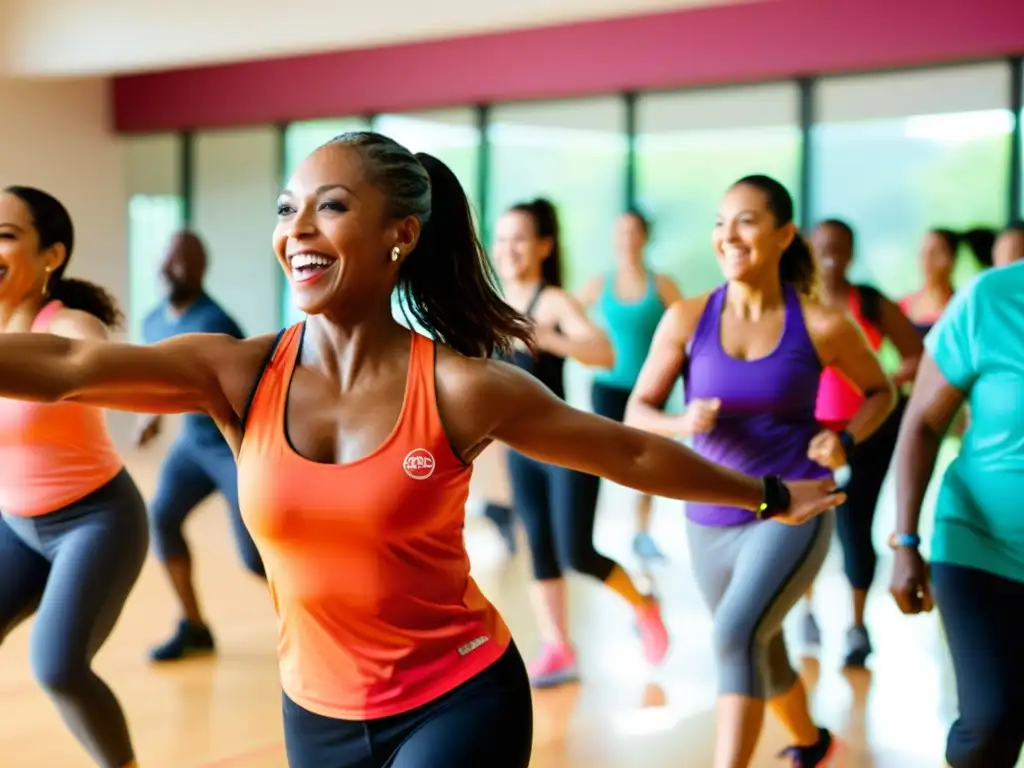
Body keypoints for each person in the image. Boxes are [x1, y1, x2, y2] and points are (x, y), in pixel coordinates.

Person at [0, 135, 842, 768]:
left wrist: (769, 495)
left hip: (457, 698)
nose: (298, 228)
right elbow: (74, 367)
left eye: (330, 205)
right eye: (288, 208)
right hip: (315, 712)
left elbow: (633, 456)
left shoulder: (463, 388)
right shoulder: (240, 372)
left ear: (401, 234)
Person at [626, 175, 894, 768]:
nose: (729, 235)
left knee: (733, 636)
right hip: (709, 513)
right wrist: (683, 420)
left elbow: (881, 391)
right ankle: (813, 743)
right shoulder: (687, 318)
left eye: (746, 220)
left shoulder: (821, 323)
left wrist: (844, 435)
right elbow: (636, 409)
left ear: (783, 234)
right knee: (761, 650)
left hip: (794, 505)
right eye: (721, 222)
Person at [492, 198, 668, 689]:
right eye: (502, 238)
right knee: (541, 551)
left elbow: (602, 350)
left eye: (520, 238)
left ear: (544, 247)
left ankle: (644, 603)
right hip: (519, 451)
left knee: (577, 552)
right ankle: (558, 648)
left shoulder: (552, 302)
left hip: (565, 448)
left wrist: (546, 336)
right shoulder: (489, 303)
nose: (508, 249)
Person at [0, 186, 147, 768]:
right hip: (15, 523)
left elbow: (91, 364)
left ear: (51, 255)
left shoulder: (71, 324)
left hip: (95, 519)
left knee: (59, 667)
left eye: (6, 235)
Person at [890, 261, 1024, 768]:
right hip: (979, 545)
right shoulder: (992, 298)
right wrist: (905, 542)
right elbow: (922, 422)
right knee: (992, 722)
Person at [799, 218, 923, 667]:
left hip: (867, 430)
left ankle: (856, 626)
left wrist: (882, 380)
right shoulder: (797, 302)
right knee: (806, 520)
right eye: (822, 246)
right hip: (808, 431)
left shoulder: (869, 302)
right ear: (810, 250)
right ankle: (807, 614)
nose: (831, 255)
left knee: (855, 526)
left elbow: (918, 354)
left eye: (840, 247)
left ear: (852, 253)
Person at [135, 230, 263, 663]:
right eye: (167, 259)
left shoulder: (215, 324)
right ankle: (195, 627)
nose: (172, 268)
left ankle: (328, 623)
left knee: (255, 559)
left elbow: (247, 393)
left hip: (234, 445)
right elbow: (160, 377)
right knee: (162, 518)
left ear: (201, 268)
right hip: (193, 445)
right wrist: (151, 416)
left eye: (183, 260)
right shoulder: (153, 320)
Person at [577, 209, 682, 563]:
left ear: (644, 237)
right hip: (607, 387)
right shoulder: (598, 284)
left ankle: (641, 532)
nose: (627, 238)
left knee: (645, 459)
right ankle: (592, 529)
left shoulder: (662, 284)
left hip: (650, 389)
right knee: (608, 459)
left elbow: (687, 329)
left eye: (634, 231)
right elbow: (565, 320)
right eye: (621, 231)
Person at [899, 228, 993, 336]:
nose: (927, 260)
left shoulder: (964, 309)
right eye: (923, 253)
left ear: (952, 258)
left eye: (935, 253)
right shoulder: (904, 306)